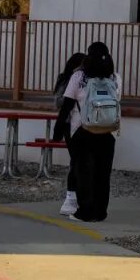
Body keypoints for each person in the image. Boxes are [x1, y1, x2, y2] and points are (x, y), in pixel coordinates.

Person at [62, 41, 121, 224]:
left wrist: (59, 129)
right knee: (103, 174)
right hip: (107, 130)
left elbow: (67, 104)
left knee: (84, 172)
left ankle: (85, 212)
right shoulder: (115, 78)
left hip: (83, 129)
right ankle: (100, 212)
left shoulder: (79, 77)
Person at [50, 50, 86, 217]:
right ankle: (71, 196)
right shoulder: (67, 78)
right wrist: (72, 95)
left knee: (79, 160)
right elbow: (58, 102)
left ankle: (77, 196)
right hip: (67, 124)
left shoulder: (83, 79)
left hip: (78, 122)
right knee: (76, 160)